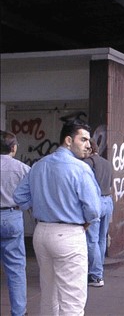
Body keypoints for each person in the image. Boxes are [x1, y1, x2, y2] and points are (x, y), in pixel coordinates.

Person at [13, 119, 101, 316]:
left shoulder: (39, 165)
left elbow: (19, 196)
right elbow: (94, 210)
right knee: (72, 301)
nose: (88, 144)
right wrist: (86, 223)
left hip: (42, 232)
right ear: (68, 140)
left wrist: (39, 207)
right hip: (69, 234)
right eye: (84, 139)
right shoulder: (80, 168)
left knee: (49, 295)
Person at [0, 131, 30, 316]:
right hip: (12, 216)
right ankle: (18, 312)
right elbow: (31, 195)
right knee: (16, 269)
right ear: (13, 147)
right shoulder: (22, 168)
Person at [83, 139, 113, 287]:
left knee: (92, 239)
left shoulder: (88, 163)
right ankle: (99, 269)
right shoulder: (107, 163)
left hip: (96, 202)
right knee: (102, 238)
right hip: (108, 201)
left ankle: (95, 276)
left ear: (89, 149)